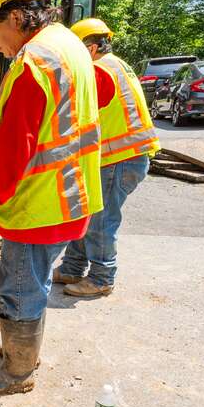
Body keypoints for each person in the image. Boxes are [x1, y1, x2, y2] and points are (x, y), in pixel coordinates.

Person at [0, 0, 103, 396]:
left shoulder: (32, 64)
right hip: (70, 196)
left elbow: (13, 151)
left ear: (18, 16)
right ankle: (18, 347)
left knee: (20, 289)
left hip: (38, 206)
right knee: (33, 284)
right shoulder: (69, 45)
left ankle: (15, 373)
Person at [49, 18, 160, 297]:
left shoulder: (99, 71)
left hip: (120, 158)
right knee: (88, 213)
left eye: (77, 49)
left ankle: (102, 277)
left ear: (93, 47)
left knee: (100, 219)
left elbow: (77, 115)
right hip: (123, 157)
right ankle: (74, 266)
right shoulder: (116, 64)